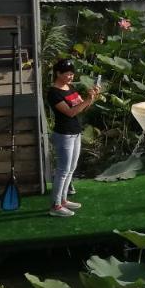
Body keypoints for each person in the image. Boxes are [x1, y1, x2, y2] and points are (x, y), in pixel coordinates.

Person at [47, 59, 100, 217]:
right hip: (64, 134)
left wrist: (91, 97)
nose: (71, 77)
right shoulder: (53, 93)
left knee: (71, 168)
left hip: (75, 132)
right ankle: (55, 206)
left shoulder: (70, 87)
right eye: (68, 74)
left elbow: (81, 107)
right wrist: (88, 100)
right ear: (58, 74)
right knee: (63, 170)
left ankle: (63, 200)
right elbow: (70, 112)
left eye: (72, 74)